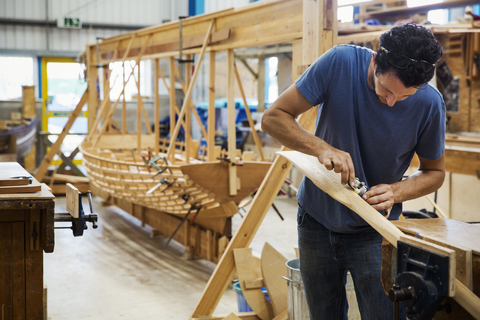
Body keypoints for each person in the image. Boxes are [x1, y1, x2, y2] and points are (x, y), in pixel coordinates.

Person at [261, 23, 445, 320]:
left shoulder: (430, 104)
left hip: (375, 231)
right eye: (385, 89)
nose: (390, 102)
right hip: (316, 221)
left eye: (403, 97)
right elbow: (272, 118)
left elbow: (435, 173)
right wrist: (321, 148)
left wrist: (396, 191)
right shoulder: (340, 63)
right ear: (375, 60)